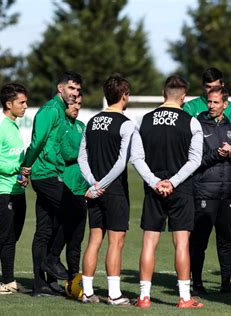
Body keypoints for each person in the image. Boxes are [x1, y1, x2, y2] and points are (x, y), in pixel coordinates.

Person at [131, 75, 204, 309]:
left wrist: (155, 182)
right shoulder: (191, 122)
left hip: (153, 191)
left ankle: (143, 298)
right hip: (180, 190)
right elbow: (195, 161)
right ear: (183, 97)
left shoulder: (144, 120)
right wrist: (172, 182)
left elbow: (137, 159)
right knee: (182, 243)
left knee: (149, 242)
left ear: (164, 94)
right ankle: (184, 298)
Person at [22, 71, 82, 296]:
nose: (74, 94)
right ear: (60, 88)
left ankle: (39, 285)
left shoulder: (62, 112)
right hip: (44, 173)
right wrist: (26, 167)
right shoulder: (50, 110)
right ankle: (51, 259)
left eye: (77, 90)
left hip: (52, 171)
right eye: (71, 89)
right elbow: (37, 142)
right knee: (75, 210)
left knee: (44, 230)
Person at [77, 74, 134, 305]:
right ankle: (114, 294)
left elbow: (82, 156)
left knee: (94, 240)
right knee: (116, 241)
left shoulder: (92, 121)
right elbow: (122, 162)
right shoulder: (126, 123)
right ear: (124, 95)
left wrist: (93, 183)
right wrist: (103, 184)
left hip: (95, 189)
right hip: (114, 189)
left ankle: (88, 292)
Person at [189, 86, 231, 295]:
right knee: (199, 241)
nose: (211, 106)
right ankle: (196, 284)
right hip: (204, 192)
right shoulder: (197, 126)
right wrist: (217, 154)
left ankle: (225, 283)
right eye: (209, 101)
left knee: (226, 240)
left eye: (215, 102)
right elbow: (194, 162)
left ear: (225, 104)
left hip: (228, 193)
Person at [0, 83, 29, 294]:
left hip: (17, 190)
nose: (26, 106)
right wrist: (16, 168)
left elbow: (14, 160)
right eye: (22, 102)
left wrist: (22, 177)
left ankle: (9, 280)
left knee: (12, 238)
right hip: (1, 192)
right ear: (9, 104)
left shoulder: (13, 126)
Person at [59, 94, 88, 282]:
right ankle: (49, 279)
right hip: (64, 188)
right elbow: (66, 152)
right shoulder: (60, 125)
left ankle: (73, 279)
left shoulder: (82, 126)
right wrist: (83, 152)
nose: (76, 107)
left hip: (82, 189)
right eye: (73, 103)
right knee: (59, 235)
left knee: (76, 240)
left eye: (79, 104)